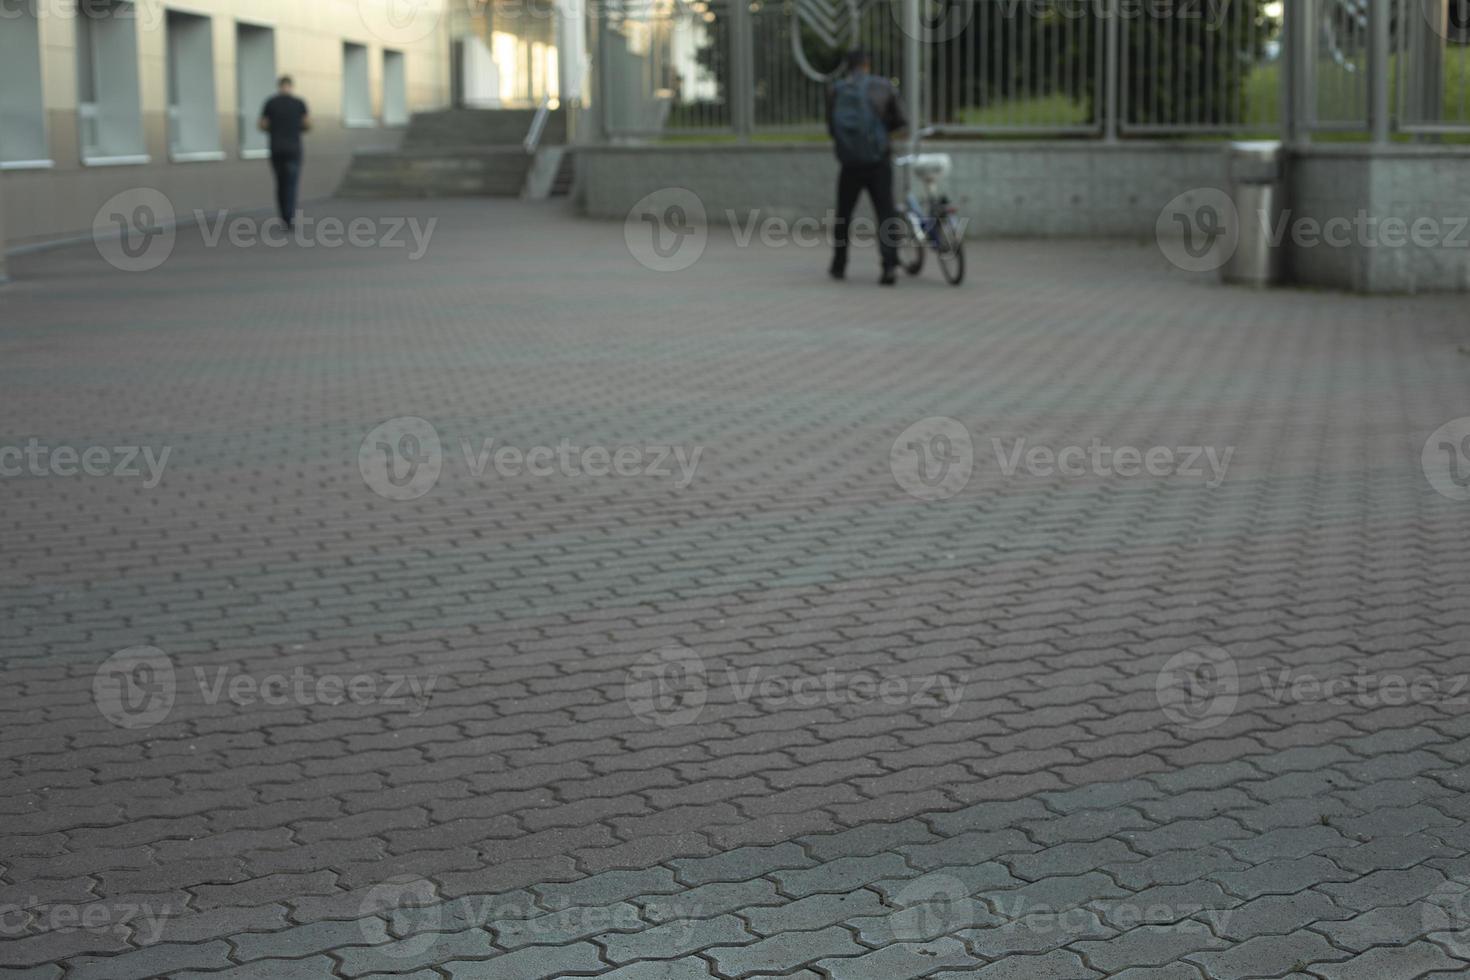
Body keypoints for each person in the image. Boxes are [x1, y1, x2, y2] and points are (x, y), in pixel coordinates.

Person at [826, 50, 908, 286]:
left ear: (848, 66)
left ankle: (839, 266)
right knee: (885, 213)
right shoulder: (883, 87)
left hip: (850, 164)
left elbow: (832, 128)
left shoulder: (837, 89)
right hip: (878, 162)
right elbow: (900, 120)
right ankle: (889, 266)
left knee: (844, 215)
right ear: (867, 65)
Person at [258, 77, 312, 229]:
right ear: (291, 86)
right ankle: (290, 217)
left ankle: (284, 216)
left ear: (279, 86)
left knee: (281, 183)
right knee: (291, 183)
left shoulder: (270, 103)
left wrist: (274, 129)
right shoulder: (299, 103)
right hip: (294, 149)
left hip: (276, 148)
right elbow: (307, 124)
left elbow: (262, 124)